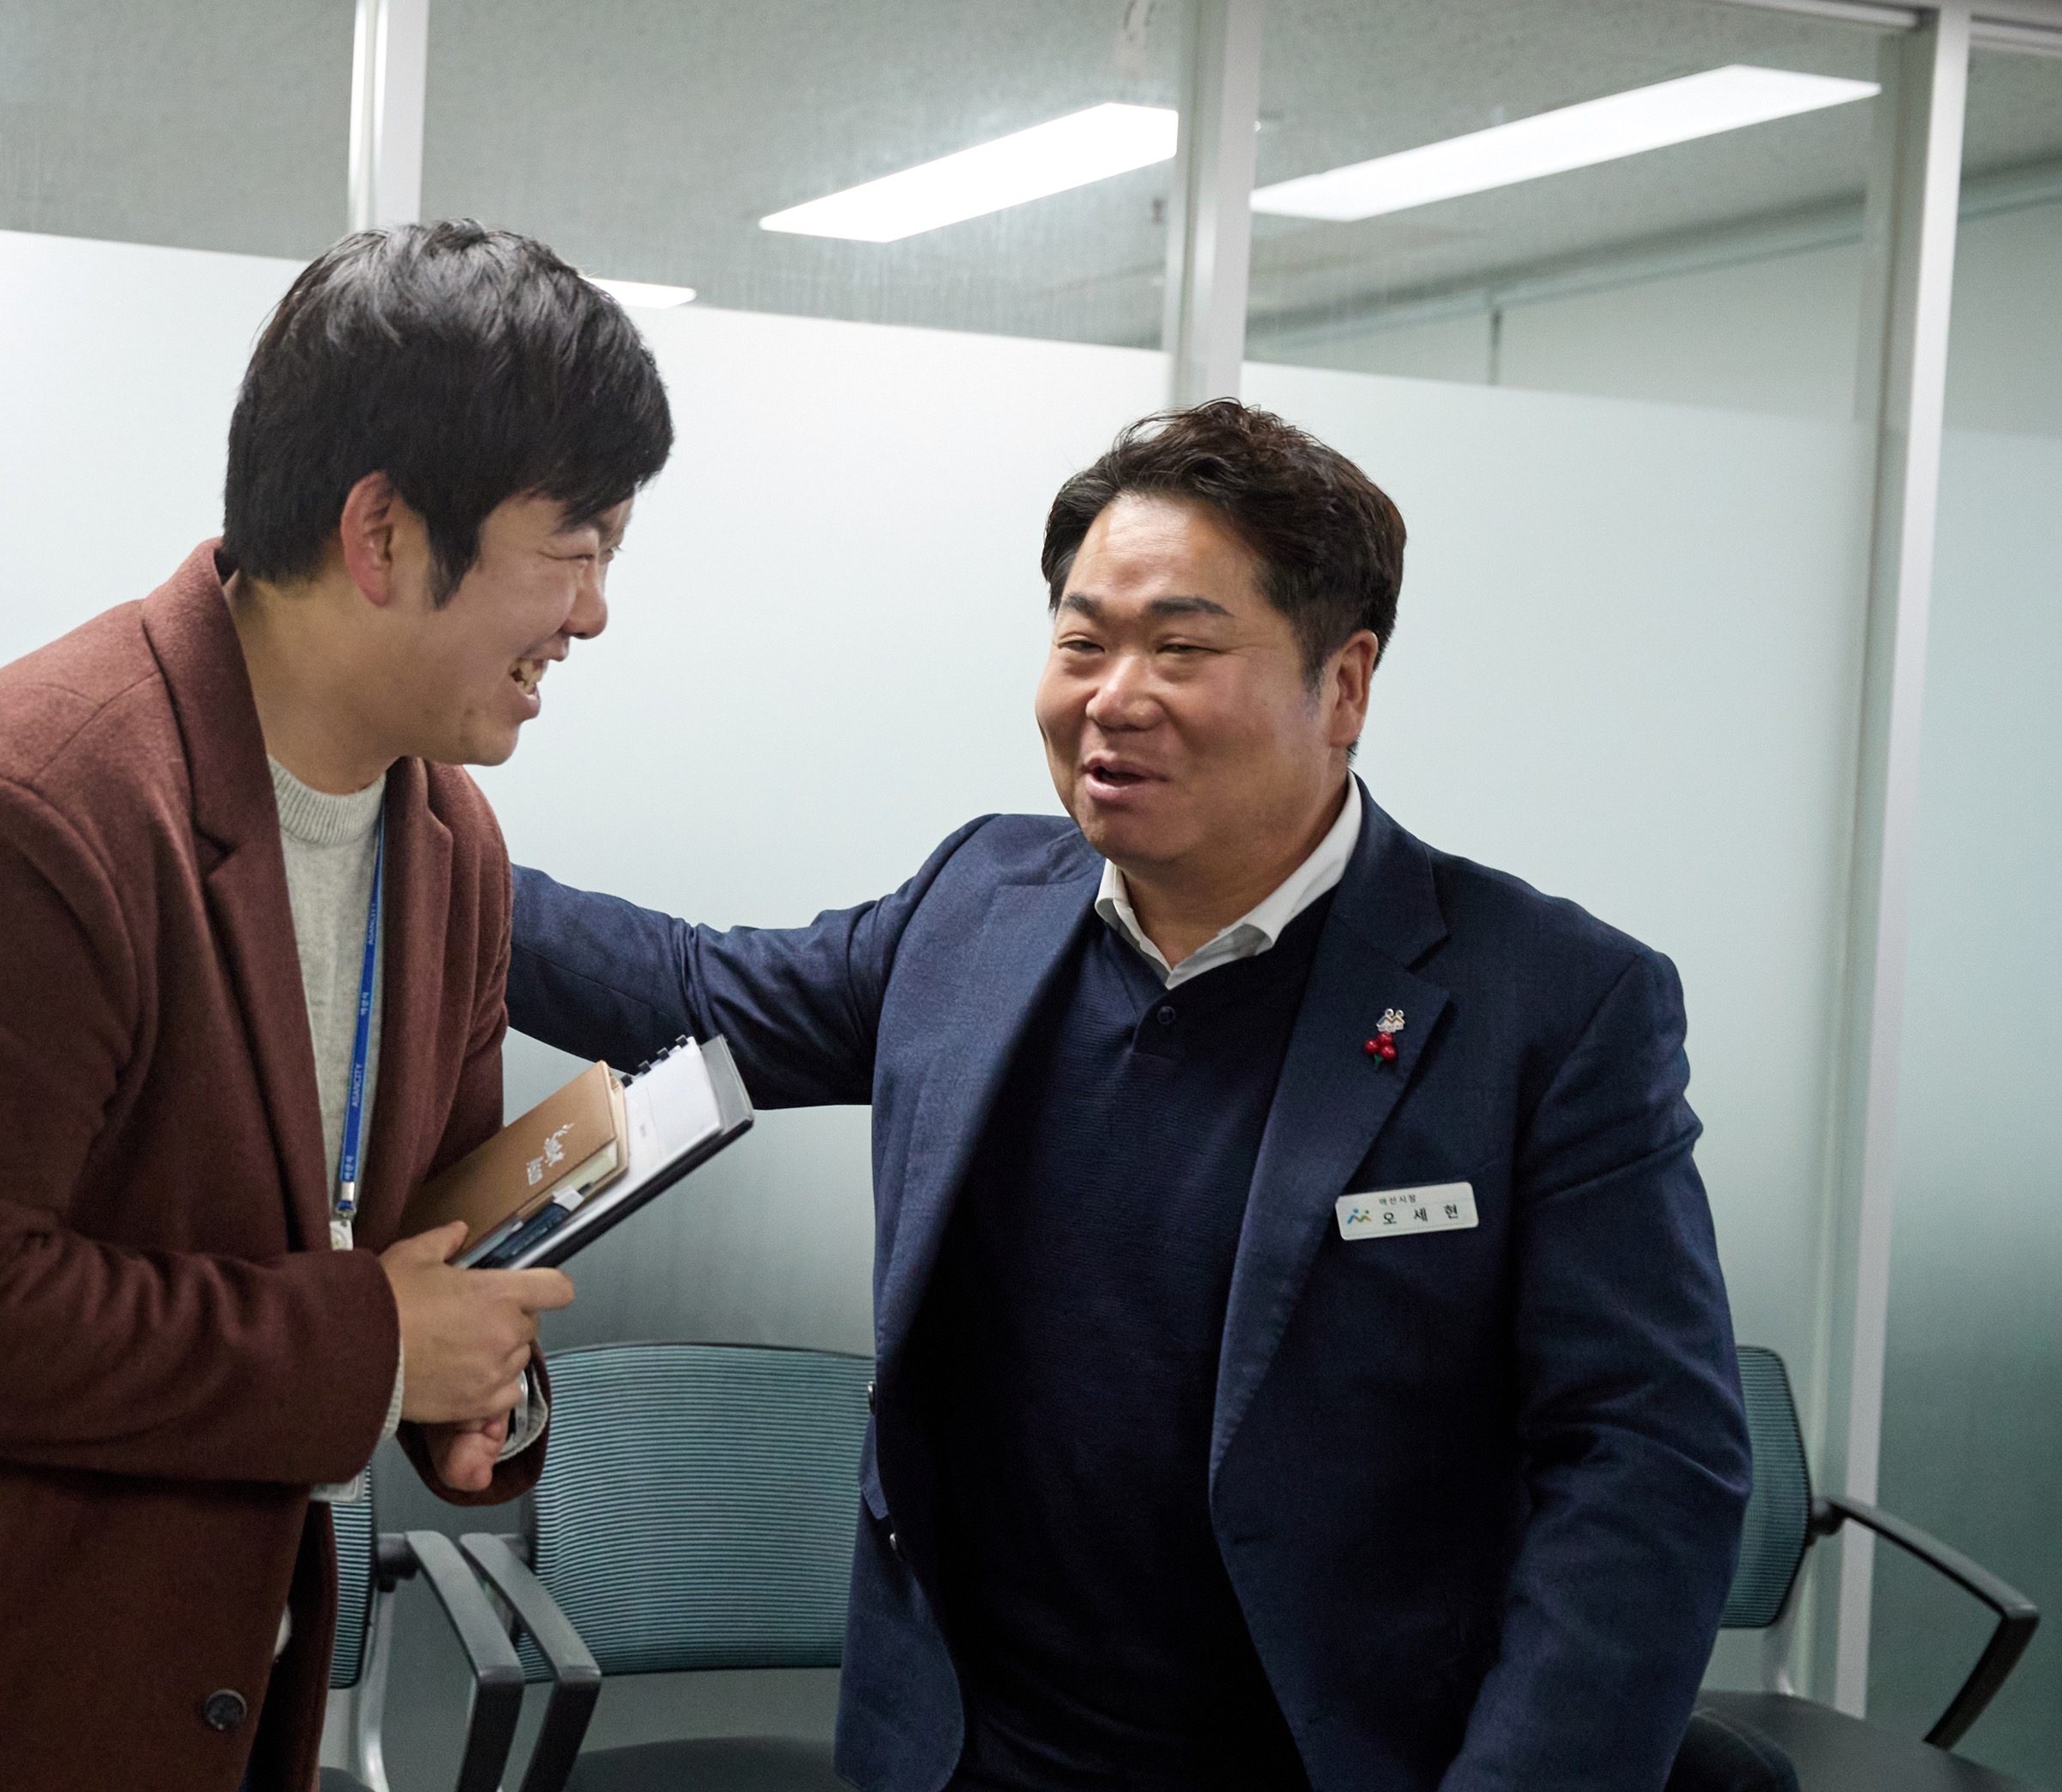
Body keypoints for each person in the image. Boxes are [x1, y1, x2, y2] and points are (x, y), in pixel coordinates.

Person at [506, 401, 1750, 1791]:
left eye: (1181, 647)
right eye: (1082, 641)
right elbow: (686, 986)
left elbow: (1646, 1458)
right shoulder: (978, 902)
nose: (1113, 695)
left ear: (1343, 684)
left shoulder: (1547, 1002)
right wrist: (401, 826)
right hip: (966, 1758)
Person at [0, 222, 671, 1792]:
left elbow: (413, 1251)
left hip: (214, 1705)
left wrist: (473, 1396)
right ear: (383, 533)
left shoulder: (449, 846)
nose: (591, 614)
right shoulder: (26, 815)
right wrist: (372, 1353)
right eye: (573, 546)